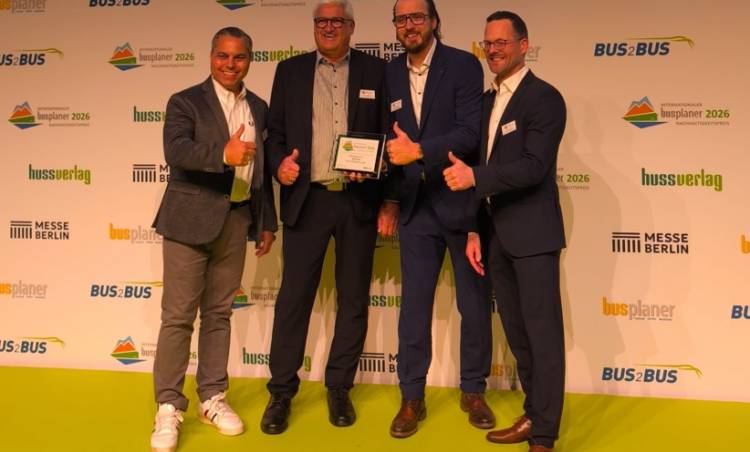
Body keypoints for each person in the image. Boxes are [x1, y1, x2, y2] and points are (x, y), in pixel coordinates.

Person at [260, 0, 388, 434]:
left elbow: (388, 135)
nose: (328, 27)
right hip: (307, 200)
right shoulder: (290, 71)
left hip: (358, 201)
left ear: (351, 27)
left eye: (337, 21)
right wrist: (279, 164)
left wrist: (379, 171)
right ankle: (281, 392)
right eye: (321, 21)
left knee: (353, 300)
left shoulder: (376, 71)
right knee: (293, 300)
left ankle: (339, 388)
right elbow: (274, 135)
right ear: (314, 26)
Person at [442, 11, 567, 452]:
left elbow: (533, 167)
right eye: (487, 43)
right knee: (517, 334)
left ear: (523, 45)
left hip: (533, 237)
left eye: (501, 42)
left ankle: (545, 435)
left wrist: (475, 178)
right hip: (495, 236)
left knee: (542, 337)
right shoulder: (486, 102)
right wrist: (475, 231)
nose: (492, 50)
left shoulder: (545, 98)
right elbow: (482, 166)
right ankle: (534, 415)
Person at [149, 26, 277, 452]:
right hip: (188, 223)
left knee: (219, 314)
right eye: (222, 55)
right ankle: (168, 406)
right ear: (210, 57)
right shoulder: (184, 101)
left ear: (249, 60)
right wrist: (223, 153)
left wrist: (265, 222)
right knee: (178, 317)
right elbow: (176, 151)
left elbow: (261, 173)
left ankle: (212, 397)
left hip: (236, 221)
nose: (229, 64)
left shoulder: (258, 107)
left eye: (238, 57)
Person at [381, 0, 494, 439]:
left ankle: (473, 390)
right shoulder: (390, 72)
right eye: (402, 19)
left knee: (473, 305)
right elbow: (387, 143)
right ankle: (412, 396)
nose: (409, 25)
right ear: (396, 26)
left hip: (460, 203)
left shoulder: (463, 65)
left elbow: (469, 133)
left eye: (417, 17)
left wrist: (419, 151)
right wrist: (389, 198)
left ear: (433, 22)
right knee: (413, 309)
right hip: (414, 207)